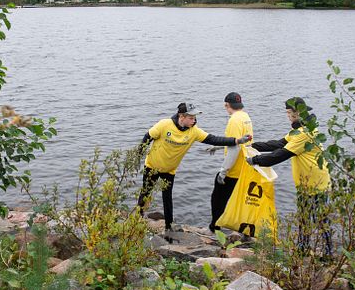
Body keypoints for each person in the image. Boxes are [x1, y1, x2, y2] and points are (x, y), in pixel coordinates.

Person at [138, 102, 252, 231]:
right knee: (146, 191)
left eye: (195, 118)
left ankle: (168, 227)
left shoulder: (194, 132)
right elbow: (147, 137)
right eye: (191, 118)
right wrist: (138, 156)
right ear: (182, 117)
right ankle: (138, 215)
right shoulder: (164, 125)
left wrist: (236, 141)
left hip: (169, 170)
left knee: (167, 197)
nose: (194, 120)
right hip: (152, 166)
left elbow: (213, 139)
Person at [247, 97, 333, 256]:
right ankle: (302, 251)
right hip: (306, 184)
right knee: (304, 219)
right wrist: (254, 146)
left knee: (321, 221)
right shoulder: (300, 129)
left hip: (316, 184)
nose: (287, 116)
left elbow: (281, 155)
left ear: (297, 113)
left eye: (288, 113)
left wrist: (254, 160)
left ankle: (328, 255)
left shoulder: (304, 133)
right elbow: (279, 144)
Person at [209, 92, 254, 233]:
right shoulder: (245, 117)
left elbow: (234, 148)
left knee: (217, 199)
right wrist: (219, 146)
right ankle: (242, 228)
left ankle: (215, 227)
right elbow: (239, 141)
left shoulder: (234, 120)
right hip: (244, 167)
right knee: (237, 200)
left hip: (233, 169)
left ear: (227, 105)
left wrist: (224, 171)